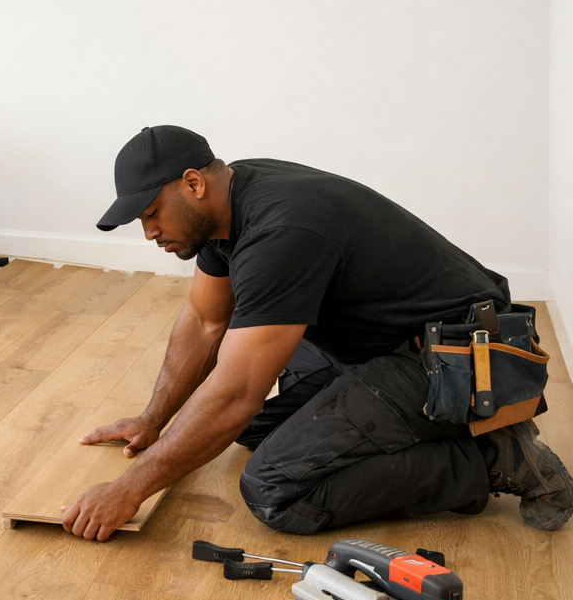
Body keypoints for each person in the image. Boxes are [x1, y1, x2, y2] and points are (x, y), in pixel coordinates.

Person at [58, 125, 571, 540]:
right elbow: (204, 319)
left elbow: (235, 391)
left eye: (151, 215)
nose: (149, 233)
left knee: (275, 490)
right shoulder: (224, 205)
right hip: (385, 338)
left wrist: (128, 489)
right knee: (250, 428)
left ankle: (494, 458)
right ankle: (419, 432)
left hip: (455, 359)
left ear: (193, 184)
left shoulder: (282, 230)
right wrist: (154, 418)